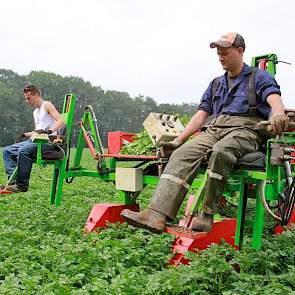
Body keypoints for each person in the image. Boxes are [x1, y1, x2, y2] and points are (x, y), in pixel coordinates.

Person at [121, 32, 289, 233]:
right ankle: (156, 214)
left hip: (246, 129)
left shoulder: (258, 77)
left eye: (225, 52)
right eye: (218, 53)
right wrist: (179, 140)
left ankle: (207, 214)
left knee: (221, 151)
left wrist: (278, 113)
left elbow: (273, 97)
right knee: (182, 154)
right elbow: (201, 115)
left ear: (240, 51)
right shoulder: (216, 83)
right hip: (215, 128)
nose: (220, 57)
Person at [1, 85, 65, 193]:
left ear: (36, 95)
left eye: (28, 98)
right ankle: (13, 182)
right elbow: (38, 131)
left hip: (48, 142)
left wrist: (49, 131)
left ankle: (22, 185)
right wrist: (26, 134)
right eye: (26, 98)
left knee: (23, 151)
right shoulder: (35, 112)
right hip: (35, 140)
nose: (27, 101)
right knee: (7, 150)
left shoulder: (47, 105)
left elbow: (61, 121)